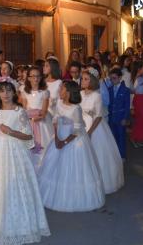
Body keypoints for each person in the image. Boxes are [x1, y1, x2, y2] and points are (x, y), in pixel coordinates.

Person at [0, 81, 50, 245]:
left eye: (8, 90)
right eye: (2, 91)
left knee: (16, 185)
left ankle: (21, 225)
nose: (5, 94)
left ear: (14, 92)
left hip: (15, 153)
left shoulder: (19, 112)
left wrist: (11, 132)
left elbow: (29, 137)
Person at [38, 81, 105, 212]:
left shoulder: (76, 109)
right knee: (54, 165)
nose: (59, 91)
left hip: (73, 140)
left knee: (72, 169)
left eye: (61, 89)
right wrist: (57, 137)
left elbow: (77, 130)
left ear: (68, 92)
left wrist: (64, 142)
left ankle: (73, 198)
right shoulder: (58, 103)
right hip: (60, 135)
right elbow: (55, 119)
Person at [80, 69, 124, 194]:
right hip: (82, 126)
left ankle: (100, 183)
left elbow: (98, 116)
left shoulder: (96, 95)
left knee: (98, 155)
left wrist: (89, 132)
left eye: (86, 79)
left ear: (92, 81)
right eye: (82, 79)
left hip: (95, 127)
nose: (83, 81)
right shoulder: (80, 94)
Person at [20, 66, 53, 169]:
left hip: (41, 122)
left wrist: (37, 118)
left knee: (44, 146)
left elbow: (44, 110)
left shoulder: (44, 92)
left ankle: (43, 167)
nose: (36, 79)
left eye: (38, 76)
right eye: (33, 76)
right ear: (28, 78)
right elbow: (24, 108)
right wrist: (27, 119)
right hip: (29, 122)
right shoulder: (25, 92)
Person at [107, 68, 131, 160]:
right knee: (113, 137)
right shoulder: (109, 89)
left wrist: (125, 118)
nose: (113, 81)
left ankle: (122, 156)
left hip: (121, 118)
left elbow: (127, 106)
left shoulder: (125, 90)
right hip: (111, 117)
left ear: (120, 77)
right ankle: (115, 155)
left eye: (115, 78)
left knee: (121, 137)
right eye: (111, 79)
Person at [129, 61, 143, 147]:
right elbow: (132, 91)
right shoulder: (138, 79)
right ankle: (136, 138)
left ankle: (138, 139)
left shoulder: (141, 77)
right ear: (139, 69)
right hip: (139, 100)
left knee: (141, 120)